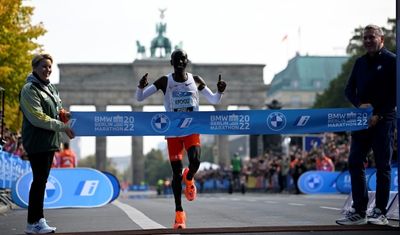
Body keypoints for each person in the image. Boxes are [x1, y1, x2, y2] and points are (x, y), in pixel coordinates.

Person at [135, 49, 226, 229]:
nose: (180, 62)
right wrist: (141, 86)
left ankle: (190, 177)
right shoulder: (164, 81)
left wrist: (220, 91)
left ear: (187, 62)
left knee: (195, 161)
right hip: (173, 132)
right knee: (176, 174)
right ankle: (179, 213)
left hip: (192, 129)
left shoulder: (196, 80)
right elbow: (139, 98)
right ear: (172, 62)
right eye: (176, 59)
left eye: (183, 59)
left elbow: (214, 100)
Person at [336, 25, 396, 226]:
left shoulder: (392, 61)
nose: (368, 41)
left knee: (382, 166)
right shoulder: (360, 62)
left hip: (384, 119)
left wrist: (378, 113)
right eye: (365, 38)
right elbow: (348, 90)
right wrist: (359, 105)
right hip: (361, 119)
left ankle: (380, 211)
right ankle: (359, 210)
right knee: (354, 162)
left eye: (372, 37)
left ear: (381, 39)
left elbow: (395, 93)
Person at [20, 53, 75, 234]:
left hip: (49, 140)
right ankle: (34, 222)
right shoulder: (30, 89)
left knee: (41, 181)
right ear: (34, 68)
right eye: (43, 66)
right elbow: (37, 117)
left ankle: (37, 220)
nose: (47, 70)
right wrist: (63, 126)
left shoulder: (50, 87)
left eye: (49, 67)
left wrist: (64, 114)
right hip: (37, 140)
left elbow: (57, 109)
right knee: (39, 181)